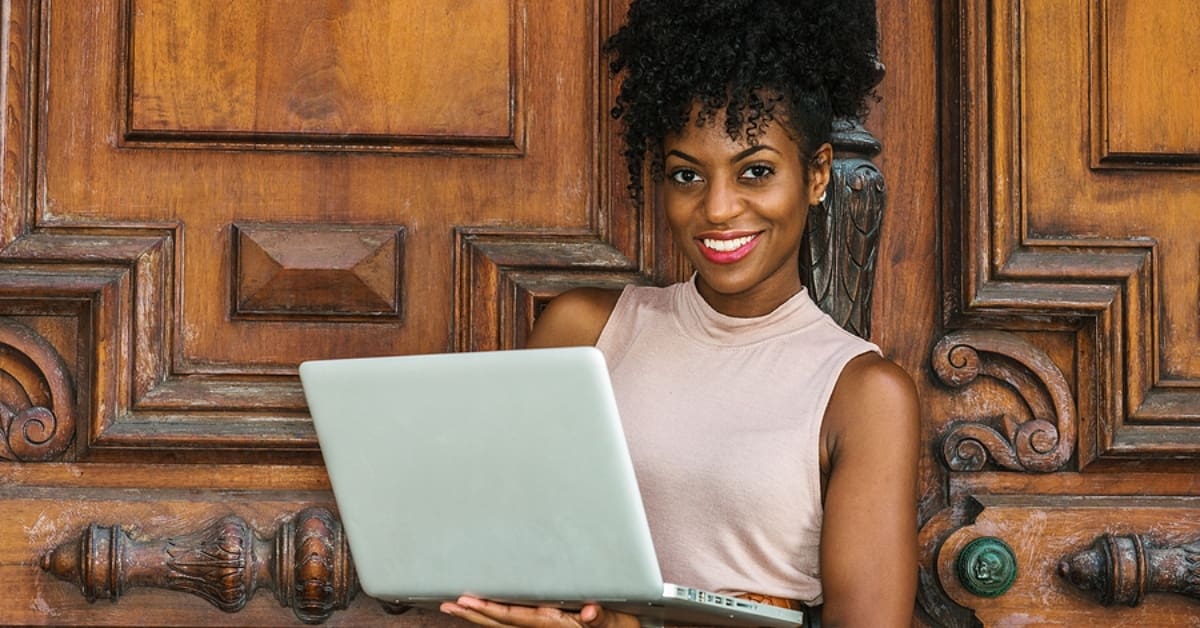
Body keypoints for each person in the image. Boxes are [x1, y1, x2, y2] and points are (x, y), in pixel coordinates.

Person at [440, 1, 918, 626]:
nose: (718, 208)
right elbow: (514, 546)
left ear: (818, 174)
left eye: (755, 171)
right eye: (687, 175)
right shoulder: (584, 333)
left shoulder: (861, 393)